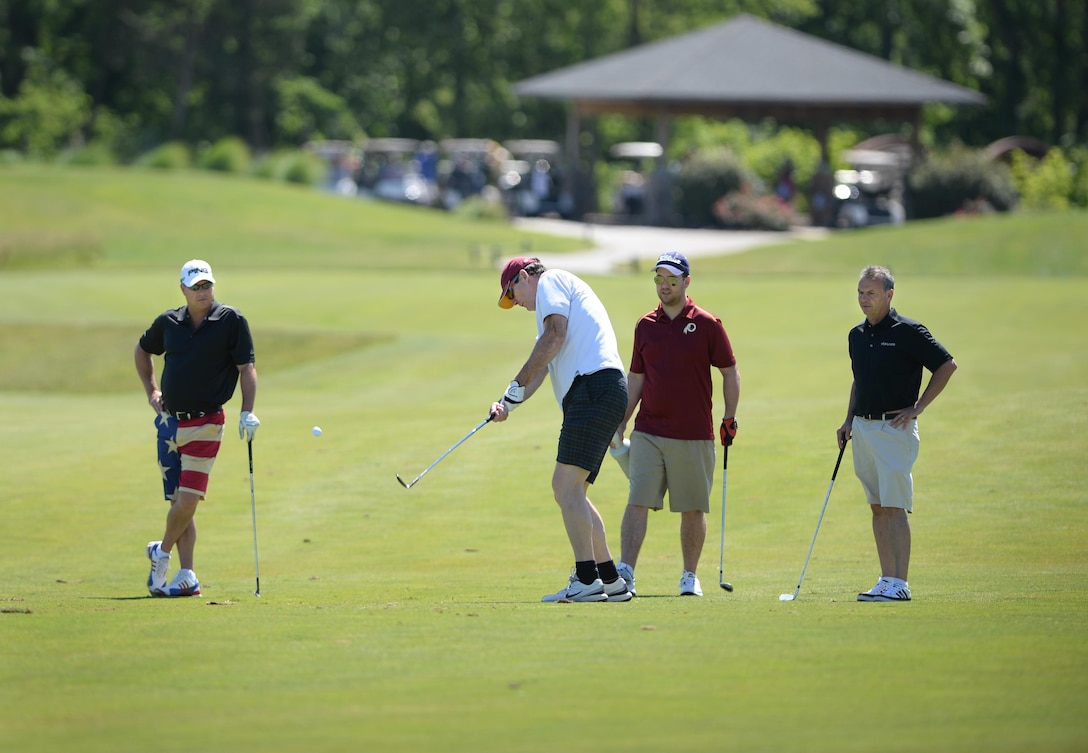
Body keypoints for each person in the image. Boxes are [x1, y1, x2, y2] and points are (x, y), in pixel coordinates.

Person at [491, 257, 632, 603]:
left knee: (563, 486)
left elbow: (554, 339)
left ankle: (586, 580)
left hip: (593, 387)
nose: (518, 304)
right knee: (574, 492)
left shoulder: (552, 282)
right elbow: (543, 363)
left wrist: (515, 384)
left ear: (524, 277)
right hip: (602, 389)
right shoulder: (550, 312)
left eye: (514, 293)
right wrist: (508, 402)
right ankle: (610, 580)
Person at [614, 252, 740, 597]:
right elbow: (636, 378)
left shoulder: (707, 324)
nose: (665, 285)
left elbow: (730, 372)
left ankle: (689, 575)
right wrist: (622, 421)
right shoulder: (645, 325)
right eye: (659, 279)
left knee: (692, 507)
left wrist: (729, 417)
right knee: (637, 499)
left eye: (671, 279)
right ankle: (626, 572)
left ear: (686, 281)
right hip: (649, 431)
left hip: (693, 433)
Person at [134, 259, 260, 597]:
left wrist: (247, 412)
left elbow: (246, 367)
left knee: (188, 499)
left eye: (207, 285)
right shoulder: (169, 322)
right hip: (169, 422)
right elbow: (143, 350)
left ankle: (160, 554)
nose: (202, 291)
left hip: (207, 422)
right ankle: (187, 574)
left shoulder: (231, 320)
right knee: (178, 502)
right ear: (183, 290)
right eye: (196, 286)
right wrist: (152, 392)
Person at [836, 265, 956, 602]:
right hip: (863, 428)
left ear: (889, 294)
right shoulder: (856, 335)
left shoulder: (909, 331)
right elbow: (860, 380)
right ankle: (886, 579)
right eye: (860, 292)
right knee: (877, 506)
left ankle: (900, 583)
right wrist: (848, 421)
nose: (864, 299)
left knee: (894, 506)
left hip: (894, 429)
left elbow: (946, 365)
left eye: (871, 293)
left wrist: (918, 407)